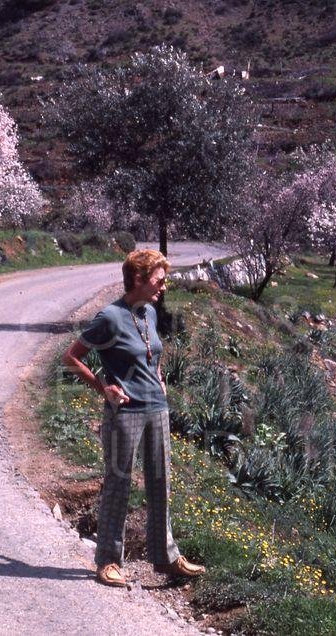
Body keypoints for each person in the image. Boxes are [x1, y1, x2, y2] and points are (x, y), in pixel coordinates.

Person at [62, 248, 206, 588]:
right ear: (138, 280)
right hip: (124, 412)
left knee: (160, 483)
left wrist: (158, 375)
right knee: (118, 482)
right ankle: (108, 561)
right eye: (158, 281)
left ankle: (166, 557)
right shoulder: (109, 318)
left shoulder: (150, 313)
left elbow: (152, 351)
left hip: (157, 409)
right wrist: (104, 387)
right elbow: (70, 357)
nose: (163, 287)